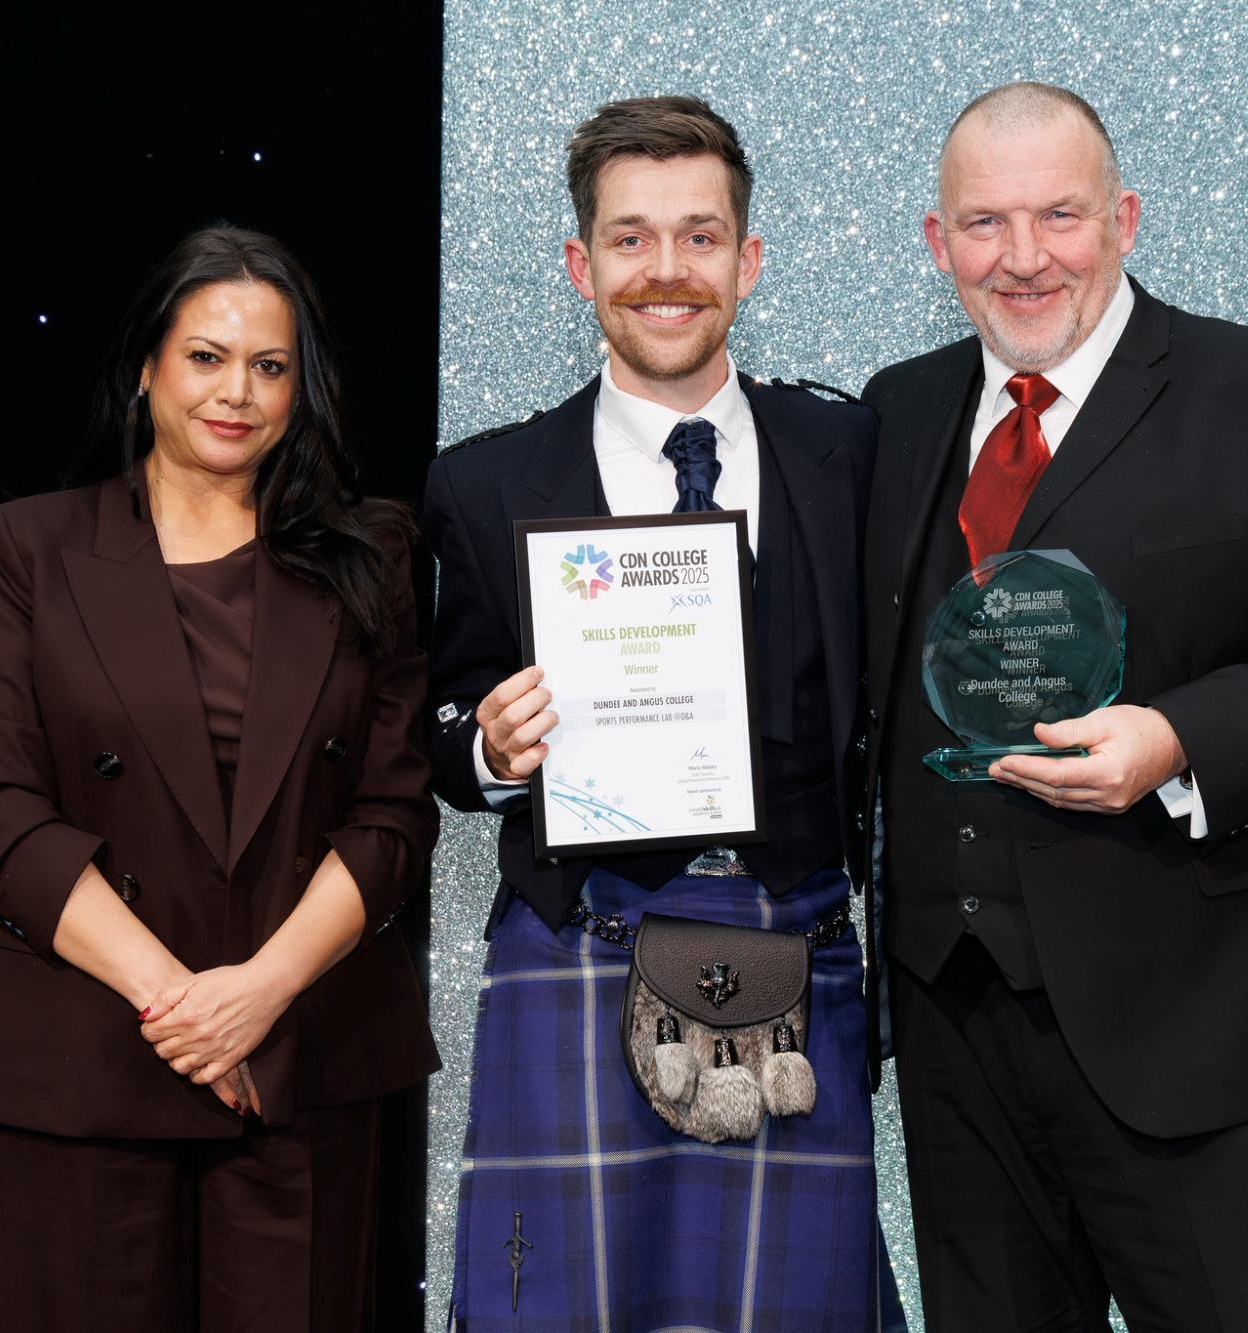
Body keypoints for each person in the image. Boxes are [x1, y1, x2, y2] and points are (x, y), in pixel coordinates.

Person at [860, 83, 1248, 1330]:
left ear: (1122, 219)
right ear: (935, 243)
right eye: (983, 224)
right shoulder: (898, 412)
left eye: (1058, 216)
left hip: (1212, 1032)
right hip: (954, 1021)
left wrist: (1182, 737)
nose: (1022, 259)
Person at [425, 96, 897, 1329]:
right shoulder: (479, 482)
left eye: (699, 237)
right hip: (579, 936)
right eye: (631, 240)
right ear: (581, 265)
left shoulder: (852, 453)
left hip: (801, 936)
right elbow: (430, 716)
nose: (666, 272)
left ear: (747, 260)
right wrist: (486, 745)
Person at [0, 226, 437, 1331]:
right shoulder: (28, 547)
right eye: (206, 356)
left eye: (269, 366)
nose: (236, 394)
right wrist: (185, 1009)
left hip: (301, 1057)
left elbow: (393, 813)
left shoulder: (372, 553)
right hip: (88, 1057)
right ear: (148, 364)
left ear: (302, 390)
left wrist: (257, 996)